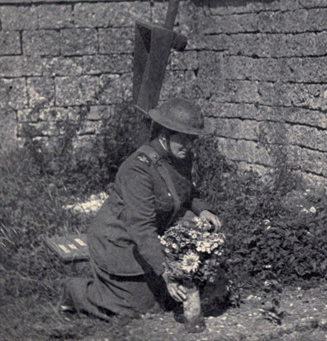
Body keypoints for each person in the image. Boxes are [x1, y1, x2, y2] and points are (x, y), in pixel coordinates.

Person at [61, 97, 221, 320]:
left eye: (192, 139)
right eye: (183, 139)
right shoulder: (138, 170)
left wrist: (204, 210)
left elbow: (186, 193)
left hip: (149, 240)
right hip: (119, 241)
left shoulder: (182, 157)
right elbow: (141, 226)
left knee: (166, 301)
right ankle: (77, 290)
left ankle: (137, 282)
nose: (189, 145)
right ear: (164, 134)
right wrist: (166, 270)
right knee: (138, 310)